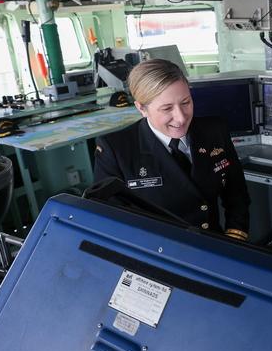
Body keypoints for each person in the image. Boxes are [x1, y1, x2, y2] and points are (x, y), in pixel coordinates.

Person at [94, 59, 250, 241]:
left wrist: (234, 238)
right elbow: (109, 220)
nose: (181, 118)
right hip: (157, 252)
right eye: (167, 108)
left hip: (211, 244)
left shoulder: (214, 131)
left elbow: (236, 193)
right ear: (142, 108)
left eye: (186, 102)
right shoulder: (115, 149)